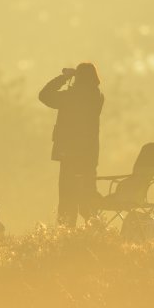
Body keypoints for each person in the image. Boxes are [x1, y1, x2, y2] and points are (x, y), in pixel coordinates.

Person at [39, 63, 104, 227]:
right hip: (89, 157)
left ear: (79, 78)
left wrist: (65, 77)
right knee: (87, 198)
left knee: (68, 199)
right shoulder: (97, 97)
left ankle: (66, 235)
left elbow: (44, 95)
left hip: (69, 156)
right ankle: (96, 231)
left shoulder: (70, 97)